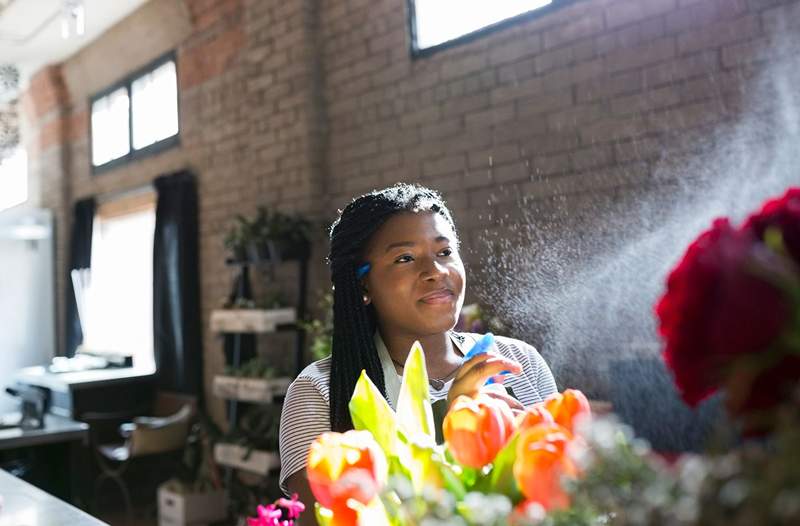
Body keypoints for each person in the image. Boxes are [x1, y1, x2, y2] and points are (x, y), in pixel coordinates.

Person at [278, 184, 558, 517]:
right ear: (363, 284)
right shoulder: (319, 393)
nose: (435, 271)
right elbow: (319, 520)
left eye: (444, 252)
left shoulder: (519, 363)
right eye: (405, 258)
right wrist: (456, 431)